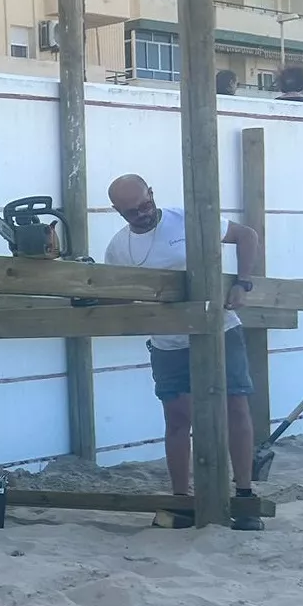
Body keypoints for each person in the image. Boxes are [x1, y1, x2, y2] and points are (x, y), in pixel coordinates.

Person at [103, 173, 265, 530]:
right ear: (118, 211)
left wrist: (243, 281)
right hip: (167, 341)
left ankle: (243, 493)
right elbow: (116, 290)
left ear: (152, 193)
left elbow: (246, 236)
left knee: (235, 405)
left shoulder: (188, 221)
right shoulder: (118, 247)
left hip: (218, 328)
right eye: (132, 212)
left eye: (145, 205)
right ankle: (181, 500)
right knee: (177, 418)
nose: (142, 214)